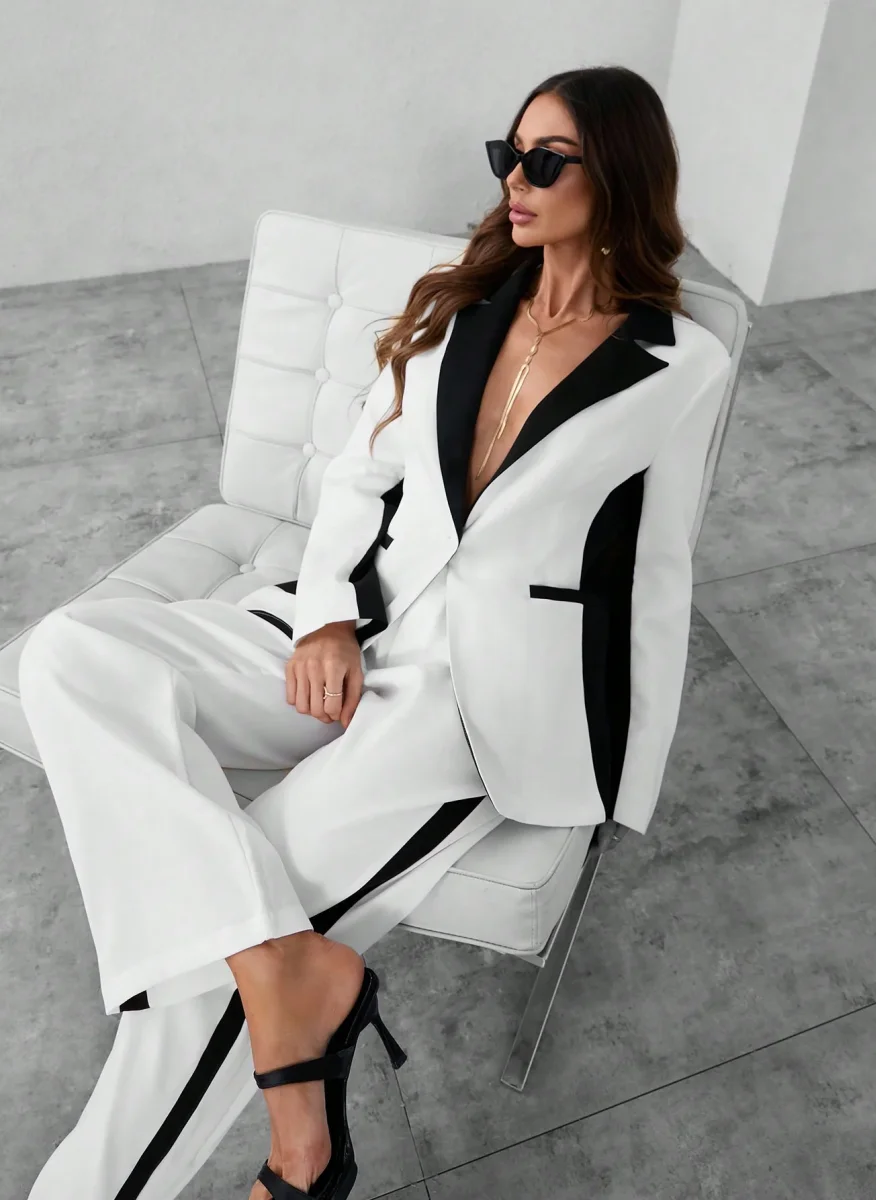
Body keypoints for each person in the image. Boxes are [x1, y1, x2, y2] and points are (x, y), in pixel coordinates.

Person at [18, 64, 730, 1200]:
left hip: (468, 702)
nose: (515, 180)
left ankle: (243, 1159)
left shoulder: (679, 368)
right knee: (70, 652)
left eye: (546, 161)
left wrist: (619, 790)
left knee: (208, 959)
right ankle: (295, 980)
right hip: (354, 632)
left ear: (620, 174)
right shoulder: (462, 305)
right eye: (508, 156)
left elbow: (656, 575)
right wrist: (325, 619)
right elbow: (359, 475)